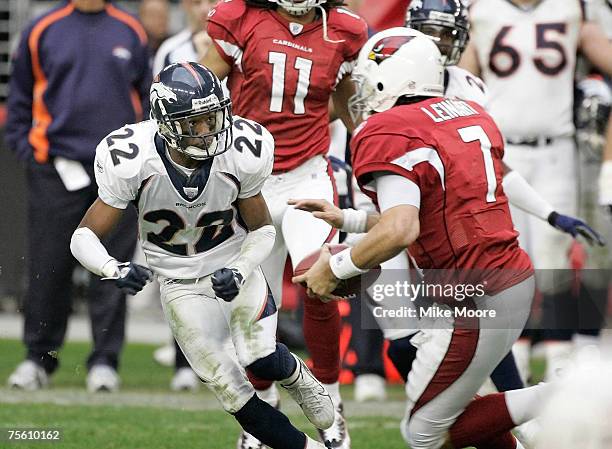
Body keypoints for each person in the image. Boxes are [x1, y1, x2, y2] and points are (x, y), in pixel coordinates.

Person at [293, 28, 556, 449]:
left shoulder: (389, 130)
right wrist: (350, 219)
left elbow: (403, 229)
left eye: (367, 77)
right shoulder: (466, 112)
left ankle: (560, 393)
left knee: (423, 432)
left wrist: (337, 266)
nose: (360, 91)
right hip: (508, 278)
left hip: (474, 294)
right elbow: (430, 210)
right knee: (455, 409)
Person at [70, 62, 332, 449]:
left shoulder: (241, 151)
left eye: (214, 117)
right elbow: (83, 236)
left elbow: (261, 230)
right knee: (230, 388)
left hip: (231, 262)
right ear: (166, 122)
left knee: (258, 355)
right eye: (196, 122)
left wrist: (241, 270)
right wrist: (113, 268)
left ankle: (296, 376)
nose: (210, 130)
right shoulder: (131, 158)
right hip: (179, 282)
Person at [201, 1, 368, 447]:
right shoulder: (240, 18)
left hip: (306, 175)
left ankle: (329, 401)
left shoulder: (344, 30)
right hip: (248, 181)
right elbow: (200, 92)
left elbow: (345, 99)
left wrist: (368, 150)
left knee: (320, 280)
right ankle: (264, 403)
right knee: (249, 304)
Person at [460, 0, 612, 382]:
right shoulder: (483, 10)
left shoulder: (571, 8)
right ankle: (516, 352)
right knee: (508, 253)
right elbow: (461, 83)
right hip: (500, 146)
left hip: (558, 146)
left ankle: (560, 355)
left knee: (553, 251)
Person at [5, 0, 151, 393]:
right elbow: (18, 97)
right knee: (48, 269)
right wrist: (31, 152)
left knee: (112, 269)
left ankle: (104, 362)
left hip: (117, 172)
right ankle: (40, 359)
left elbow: (149, 101)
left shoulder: (130, 29)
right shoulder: (44, 28)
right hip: (58, 169)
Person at [151, 0, 220, 393]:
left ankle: (239, 356)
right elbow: (155, 113)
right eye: (198, 2)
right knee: (182, 266)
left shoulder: (236, 43)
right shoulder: (171, 50)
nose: (205, 9)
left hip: (222, 165)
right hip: (179, 167)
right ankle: (183, 360)